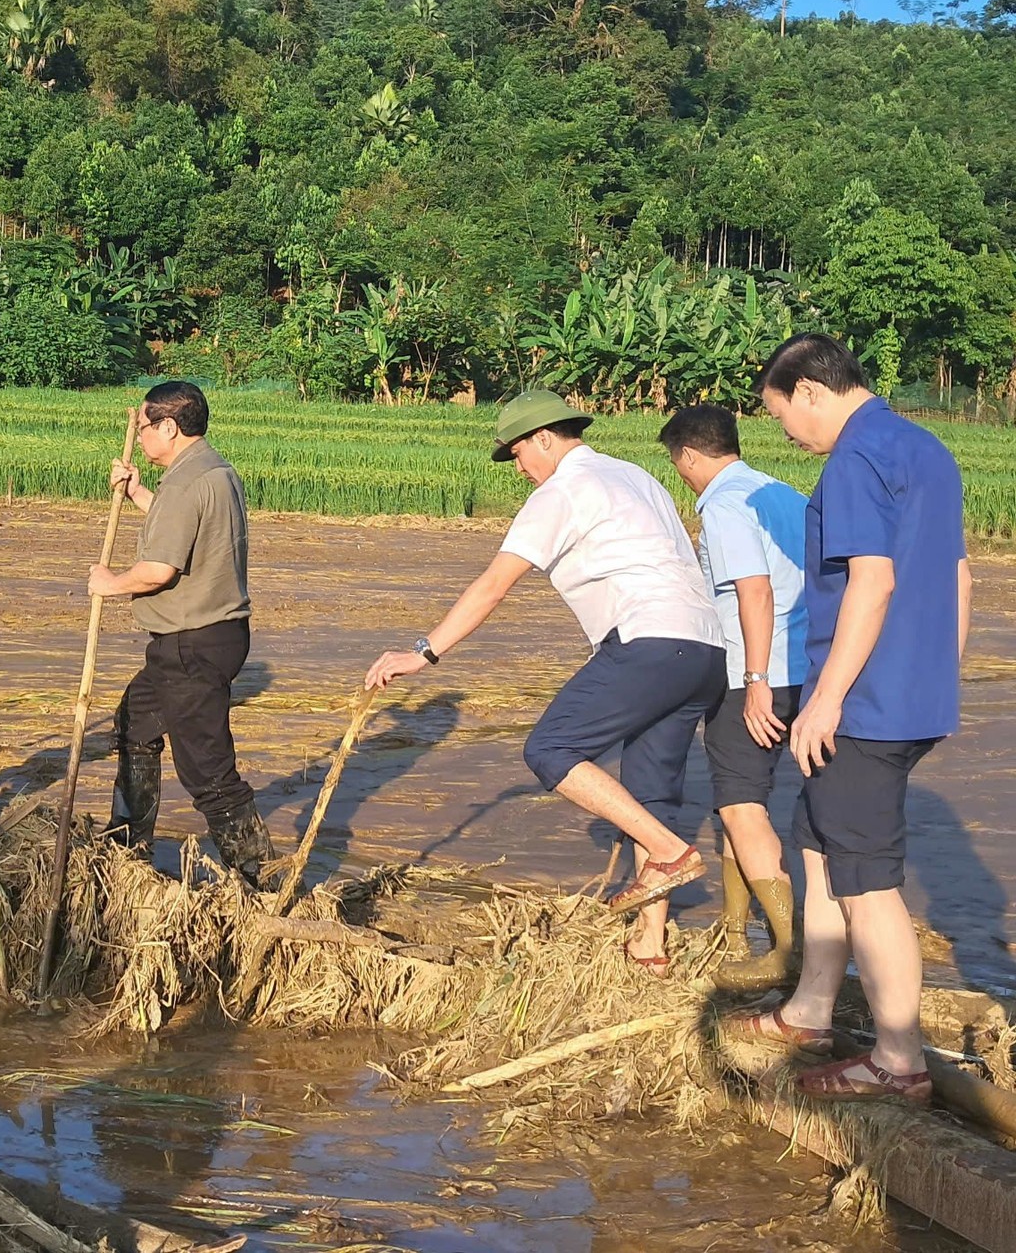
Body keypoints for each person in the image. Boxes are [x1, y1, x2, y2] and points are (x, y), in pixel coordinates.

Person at [365, 390, 726, 971]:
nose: (519, 469)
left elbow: (494, 582)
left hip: (648, 638)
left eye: (517, 454)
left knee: (551, 747)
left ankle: (670, 852)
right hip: (705, 648)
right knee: (650, 791)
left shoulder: (561, 491)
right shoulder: (636, 476)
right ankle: (651, 946)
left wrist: (424, 652)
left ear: (544, 438)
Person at [731, 334, 969, 1104]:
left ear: (808, 390)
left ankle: (898, 1062)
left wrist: (828, 697)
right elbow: (958, 574)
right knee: (817, 841)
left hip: (864, 702)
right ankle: (810, 1010)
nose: (788, 436)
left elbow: (871, 579)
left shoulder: (854, 459)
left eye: (781, 417)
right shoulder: (926, 448)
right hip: (909, 693)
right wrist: (937, 675)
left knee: (866, 880)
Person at [88, 381, 273, 888]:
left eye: (146, 427)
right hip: (205, 639)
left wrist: (109, 585)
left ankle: (261, 880)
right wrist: (137, 492)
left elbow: (159, 569)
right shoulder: (212, 470)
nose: (141, 436)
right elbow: (183, 528)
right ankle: (126, 845)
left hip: (191, 642)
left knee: (207, 771)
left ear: (169, 427)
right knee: (135, 725)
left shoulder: (186, 481)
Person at [659, 404, 809, 990]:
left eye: (678, 464)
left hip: (755, 672)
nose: (681, 475)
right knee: (733, 798)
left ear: (690, 455)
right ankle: (732, 927)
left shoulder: (723, 505)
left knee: (743, 805)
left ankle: (786, 951)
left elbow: (753, 590)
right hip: (808, 667)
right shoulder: (783, 493)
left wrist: (753, 681)